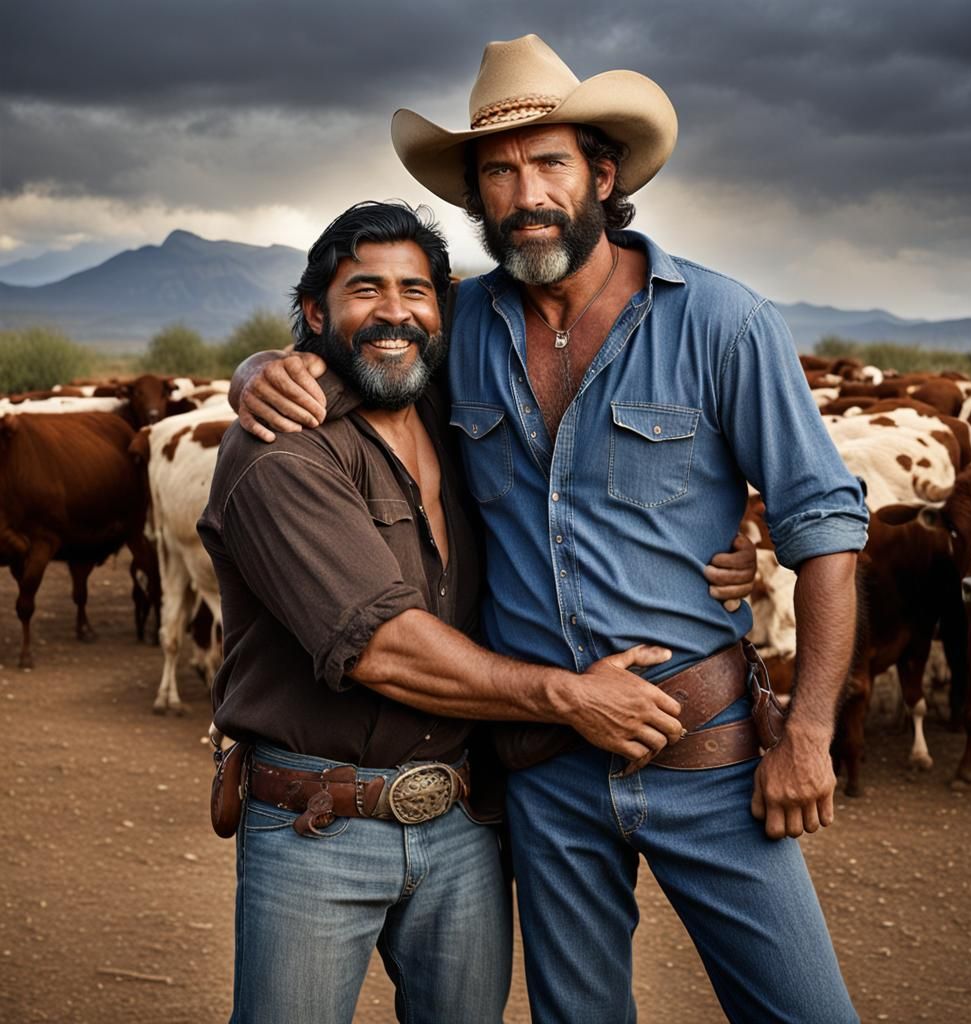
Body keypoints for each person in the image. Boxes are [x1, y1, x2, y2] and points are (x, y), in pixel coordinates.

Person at [231, 35, 870, 1023]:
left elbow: (824, 530)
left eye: (550, 164)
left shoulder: (723, 322)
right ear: (476, 197)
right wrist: (261, 372)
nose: (525, 193)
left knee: (805, 1012)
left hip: (706, 750)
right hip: (544, 769)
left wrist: (811, 735)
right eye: (498, 172)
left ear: (602, 175)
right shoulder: (462, 327)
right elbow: (362, 353)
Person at [203, 199, 756, 1024]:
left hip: (464, 820)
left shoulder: (453, 413)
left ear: (444, 308)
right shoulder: (281, 449)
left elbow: (572, 504)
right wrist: (570, 697)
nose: (394, 312)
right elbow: (383, 648)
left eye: (416, 290)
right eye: (364, 290)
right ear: (315, 313)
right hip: (319, 825)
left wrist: (721, 541)